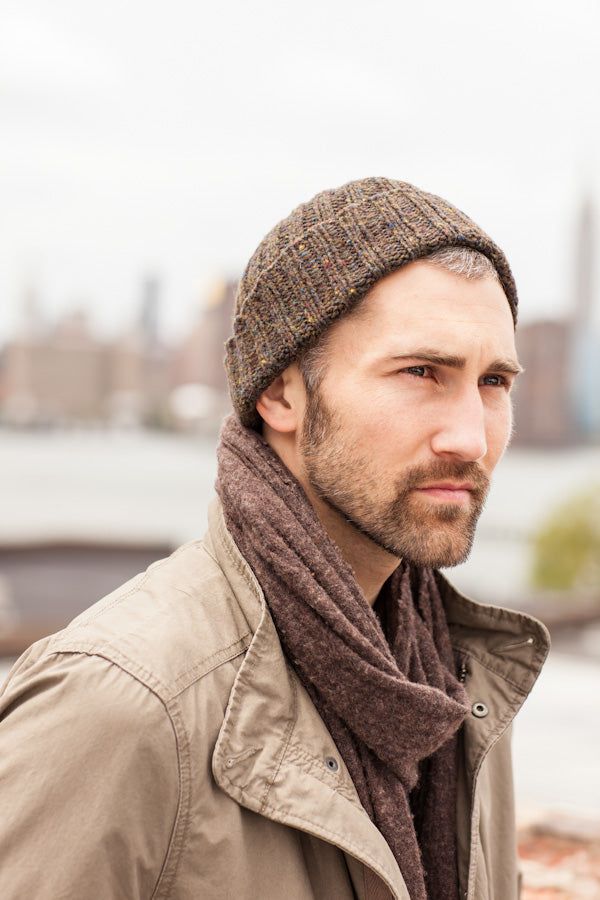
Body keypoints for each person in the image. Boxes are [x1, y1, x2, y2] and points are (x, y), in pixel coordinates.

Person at [0, 177, 549, 900]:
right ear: (280, 393)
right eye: (421, 372)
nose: (470, 437)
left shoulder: (453, 682)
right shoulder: (122, 706)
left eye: (494, 382)